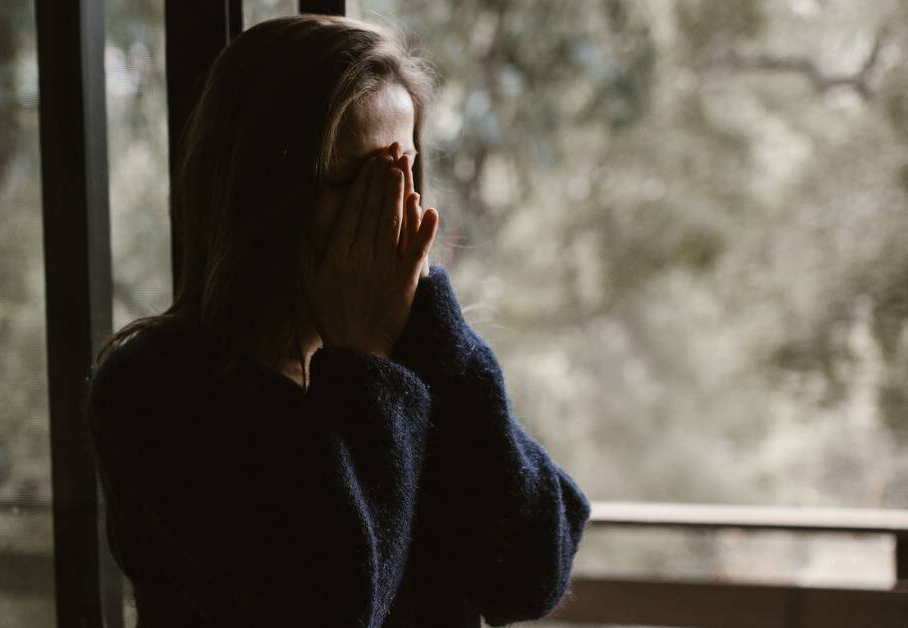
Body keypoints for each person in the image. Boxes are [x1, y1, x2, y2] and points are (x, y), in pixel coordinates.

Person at [85, 14, 592, 627]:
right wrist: (366, 359)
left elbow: (534, 570)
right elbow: (330, 602)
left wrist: (433, 325)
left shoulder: (422, 362)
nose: (386, 211)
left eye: (401, 173)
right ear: (261, 192)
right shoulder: (154, 390)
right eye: (354, 182)